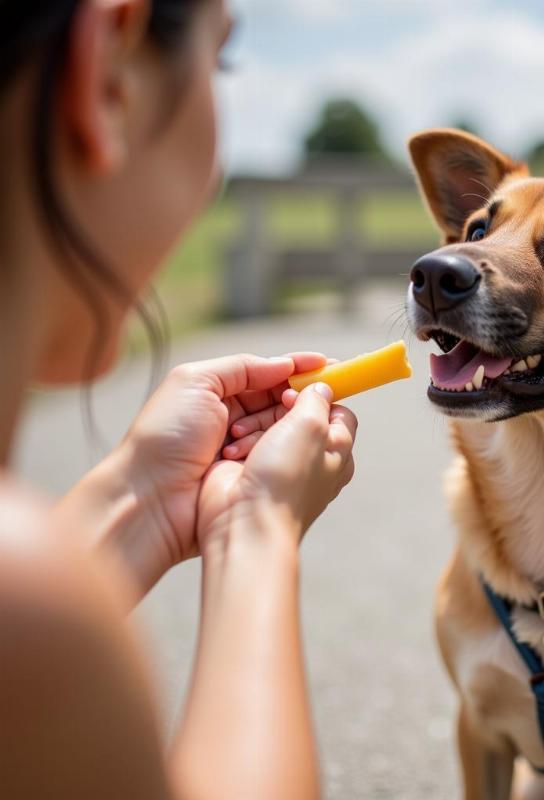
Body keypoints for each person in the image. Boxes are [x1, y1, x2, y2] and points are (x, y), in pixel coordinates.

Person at [0, 2, 357, 798]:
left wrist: (142, 496)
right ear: (109, 74)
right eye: (219, 62)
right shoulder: (30, 611)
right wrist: (257, 528)